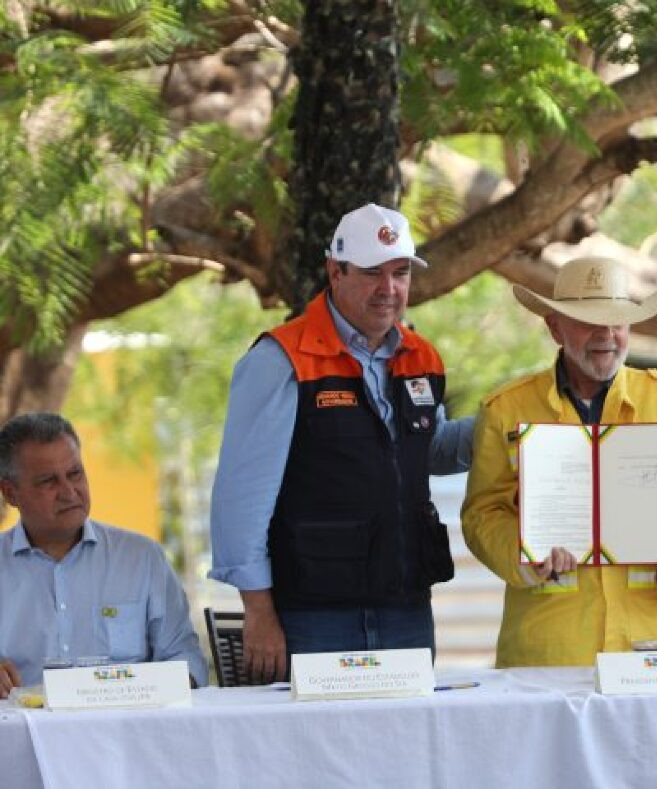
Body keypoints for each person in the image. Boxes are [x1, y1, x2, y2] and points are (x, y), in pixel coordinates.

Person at [209, 203, 473, 683]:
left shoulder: (422, 356)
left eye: (400, 273)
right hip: (312, 614)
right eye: (373, 272)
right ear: (335, 271)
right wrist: (259, 612)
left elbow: (426, 450)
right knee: (311, 753)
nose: (388, 289)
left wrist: (509, 426)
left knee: (405, 747)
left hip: (406, 607)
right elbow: (240, 499)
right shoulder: (280, 358)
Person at [460, 256, 657, 666]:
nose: (607, 335)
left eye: (618, 322)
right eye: (589, 321)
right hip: (547, 647)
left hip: (653, 643)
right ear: (554, 326)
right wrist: (528, 556)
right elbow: (482, 515)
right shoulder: (506, 409)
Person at [0, 413, 207, 696]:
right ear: (11, 493)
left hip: (126, 730)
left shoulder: (141, 559)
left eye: (75, 474)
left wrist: (157, 688)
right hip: (21, 732)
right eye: (49, 481)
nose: (69, 491)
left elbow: (186, 659)